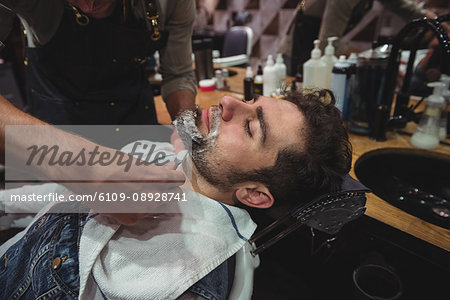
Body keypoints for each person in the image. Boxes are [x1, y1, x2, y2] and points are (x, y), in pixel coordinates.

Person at [0, 90, 352, 299]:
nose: (227, 101)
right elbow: (60, 197)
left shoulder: (183, 281)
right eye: (248, 99)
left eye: (249, 126)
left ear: (254, 195)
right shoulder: (173, 158)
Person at [0, 0, 196, 124]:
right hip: (59, 128)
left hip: (136, 119)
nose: (87, 6)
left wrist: (186, 132)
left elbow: (178, 74)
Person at [282, 0, 443, 75]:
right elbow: (328, 45)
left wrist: (434, 21)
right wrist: (372, 59)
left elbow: (402, 6)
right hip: (300, 46)